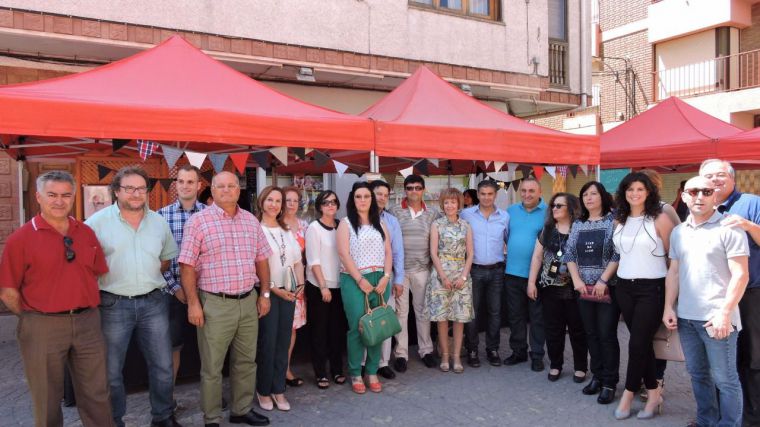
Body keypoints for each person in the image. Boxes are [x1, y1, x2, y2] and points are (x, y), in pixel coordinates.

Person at [0, 171, 113, 427]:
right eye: (52, 195)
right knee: (47, 396)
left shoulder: (85, 232)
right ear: (39, 197)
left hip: (87, 322)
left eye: (65, 195)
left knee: (96, 393)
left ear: (73, 197)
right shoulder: (21, 239)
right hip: (42, 324)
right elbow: (8, 291)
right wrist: (34, 316)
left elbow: (96, 272)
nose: (59, 201)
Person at [85, 166, 181, 427]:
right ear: (116, 191)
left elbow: (165, 261)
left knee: (162, 366)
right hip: (113, 304)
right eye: (129, 188)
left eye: (141, 188)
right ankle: (113, 420)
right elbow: (86, 266)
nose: (136, 194)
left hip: (154, 302)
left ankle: (163, 417)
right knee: (111, 371)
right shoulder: (95, 223)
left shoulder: (158, 222)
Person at [179, 171, 272, 427]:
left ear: (239, 190)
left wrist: (264, 293)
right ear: (212, 190)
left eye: (232, 186)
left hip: (248, 301)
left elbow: (262, 259)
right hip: (215, 304)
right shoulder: (199, 222)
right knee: (212, 367)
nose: (227, 190)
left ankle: (241, 410)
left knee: (246, 361)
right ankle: (212, 418)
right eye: (221, 186)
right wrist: (194, 303)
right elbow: (186, 266)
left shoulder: (251, 221)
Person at [663, 175, 750, 427]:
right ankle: (705, 421)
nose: (699, 196)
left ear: (715, 196)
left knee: (725, 379)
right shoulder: (679, 232)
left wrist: (725, 312)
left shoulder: (729, 228)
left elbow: (741, 274)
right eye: (693, 191)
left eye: (706, 191)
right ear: (684, 195)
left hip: (717, 319)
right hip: (687, 318)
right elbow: (674, 272)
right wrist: (669, 306)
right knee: (698, 375)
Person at [700, 159, 760, 427]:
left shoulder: (751, 202)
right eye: (708, 176)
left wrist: (747, 225)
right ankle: (719, 417)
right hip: (713, 296)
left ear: (732, 178)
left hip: (749, 294)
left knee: (752, 359)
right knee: (718, 361)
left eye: (720, 175)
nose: (714, 180)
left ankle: (750, 419)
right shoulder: (701, 207)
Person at [611, 172, 675, 420]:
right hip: (624, 288)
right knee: (643, 344)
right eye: (630, 189)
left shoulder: (659, 219)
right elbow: (619, 255)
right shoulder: (619, 220)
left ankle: (628, 395)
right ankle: (654, 394)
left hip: (652, 289)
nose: (634, 193)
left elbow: (674, 260)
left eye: (640, 189)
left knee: (636, 343)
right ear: (623, 193)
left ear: (649, 192)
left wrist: (671, 299)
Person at [564, 181, 620, 405]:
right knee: (591, 333)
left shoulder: (613, 221)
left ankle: (610, 382)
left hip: (608, 288)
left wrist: (603, 280)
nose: (588, 198)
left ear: (603, 196)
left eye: (593, 193)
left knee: (606, 335)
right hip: (582, 289)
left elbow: (618, 253)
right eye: (584, 194)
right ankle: (597, 376)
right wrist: (577, 280)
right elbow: (569, 253)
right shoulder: (578, 224)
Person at [157, 164, 206, 411]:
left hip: (206, 292)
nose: (185, 185)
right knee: (171, 348)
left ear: (199, 185)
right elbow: (155, 260)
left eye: (190, 181)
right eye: (181, 181)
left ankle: (212, 396)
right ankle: (168, 401)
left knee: (210, 347)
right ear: (175, 185)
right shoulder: (160, 216)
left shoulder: (210, 213)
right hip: (172, 293)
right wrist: (176, 287)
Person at [337, 182, 393, 394]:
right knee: (358, 327)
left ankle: (371, 371)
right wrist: (360, 280)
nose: (362, 200)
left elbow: (389, 251)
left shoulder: (381, 223)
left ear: (372, 199)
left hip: (380, 279)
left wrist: (386, 277)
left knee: (377, 327)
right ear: (353, 199)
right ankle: (355, 373)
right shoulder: (345, 223)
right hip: (354, 279)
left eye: (366, 197)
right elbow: (343, 253)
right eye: (358, 196)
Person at [526, 192, 587, 383]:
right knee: (553, 329)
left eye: (559, 205)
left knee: (577, 329)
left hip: (574, 288)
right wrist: (531, 282)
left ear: (570, 208)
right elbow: (537, 257)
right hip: (550, 287)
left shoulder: (580, 229)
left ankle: (580, 367)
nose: (554, 209)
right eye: (553, 205)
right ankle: (556, 364)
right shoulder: (547, 230)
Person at [255, 186, 304, 412]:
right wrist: (275, 289)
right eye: (270, 200)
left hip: (289, 293)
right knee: (268, 343)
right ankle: (263, 390)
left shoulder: (286, 231)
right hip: (268, 293)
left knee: (283, 342)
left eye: (278, 201)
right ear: (262, 202)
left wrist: (299, 286)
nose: (274, 204)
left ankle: (278, 389)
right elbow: (255, 267)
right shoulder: (256, 229)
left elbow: (296, 261)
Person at [638, 168, 681, 402]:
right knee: (641, 335)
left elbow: (677, 246)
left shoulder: (664, 209)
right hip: (636, 283)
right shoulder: (633, 213)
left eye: (643, 186)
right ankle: (645, 378)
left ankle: (657, 380)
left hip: (661, 282)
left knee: (657, 334)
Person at [391, 175, 439, 370]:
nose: (414, 191)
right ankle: (401, 354)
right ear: (405, 190)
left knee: (422, 312)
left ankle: (426, 350)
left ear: (423, 190)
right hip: (400, 272)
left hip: (423, 269)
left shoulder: (433, 214)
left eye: (417, 188)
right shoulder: (394, 211)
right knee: (401, 313)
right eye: (410, 188)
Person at [460, 180, 509, 367]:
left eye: (490, 194)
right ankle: (472, 350)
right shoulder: (466, 214)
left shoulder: (504, 217)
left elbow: (508, 241)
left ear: (495, 195)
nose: (486, 197)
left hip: (497, 270)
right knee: (472, 312)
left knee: (495, 312)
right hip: (474, 270)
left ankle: (492, 349)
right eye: (483, 194)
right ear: (478, 194)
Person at [427, 188, 474, 373]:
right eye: (446, 202)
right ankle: (445, 356)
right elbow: (433, 252)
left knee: (459, 318)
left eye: (453, 202)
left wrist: (463, 276)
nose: (450, 205)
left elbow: (470, 254)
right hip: (440, 276)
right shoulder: (436, 225)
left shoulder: (466, 226)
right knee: (442, 318)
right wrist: (443, 277)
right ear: (442, 204)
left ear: (459, 204)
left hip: (461, 275)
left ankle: (456, 357)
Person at [305, 190, 347, 389]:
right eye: (326, 202)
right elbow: (313, 261)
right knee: (320, 332)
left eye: (334, 202)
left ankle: (337, 369)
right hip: (320, 286)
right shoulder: (314, 228)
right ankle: (321, 372)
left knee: (336, 331)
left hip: (340, 285)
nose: (330, 205)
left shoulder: (342, 225)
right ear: (320, 206)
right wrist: (323, 286)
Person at [505, 177, 548, 371]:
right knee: (515, 316)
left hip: (538, 276)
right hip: (512, 272)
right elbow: (505, 236)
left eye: (531, 191)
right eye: (523, 191)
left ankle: (537, 354)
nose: (527, 195)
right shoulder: (511, 211)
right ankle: (518, 351)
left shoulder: (548, 213)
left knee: (537, 316)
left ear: (540, 192)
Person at [370, 180, 405, 380]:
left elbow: (398, 252)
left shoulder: (391, 221)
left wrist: (398, 279)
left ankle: (382, 362)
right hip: (362, 279)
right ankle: (366, 363)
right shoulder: (355, 219)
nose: (382, 198)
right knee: (365, 320)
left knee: (383, 321)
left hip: (386, 278)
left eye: (385, 194)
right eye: (378, 193)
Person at [282, 186, 308, 388]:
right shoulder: (273, 223)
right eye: (287, 200)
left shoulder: (304, 226)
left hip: (298, 283)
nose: (291, 204)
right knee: (275, 329)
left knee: (291, 330)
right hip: (277, 283)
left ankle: (286, 368)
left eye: (295, 200)